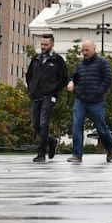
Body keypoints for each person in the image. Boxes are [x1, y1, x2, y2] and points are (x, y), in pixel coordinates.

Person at [67, 39, 112, 162]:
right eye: (82, 50)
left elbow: (108, 78)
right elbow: (74, 77)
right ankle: (77, 155)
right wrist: (71, 82)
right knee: (76, 126)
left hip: (96, 101)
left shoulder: (102, 63)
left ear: (94, 49)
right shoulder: (80, 65)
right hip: (81, 100)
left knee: (101, 128)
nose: (84, 52)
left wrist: (99, 92)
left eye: (86, 50)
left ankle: (110, 146)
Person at [25, 33, 69, 162]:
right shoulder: (36, 59)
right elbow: (29, 76)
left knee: (44, 123)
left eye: (46, 44)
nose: (43, 47)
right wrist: (31, 89)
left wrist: (53, 89)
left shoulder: (58, 60)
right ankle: (51, 141)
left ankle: (41, 153)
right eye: (42, 44)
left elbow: (64, 78)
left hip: (49, 96)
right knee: (36, 125)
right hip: (36, 96)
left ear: (52, 44)